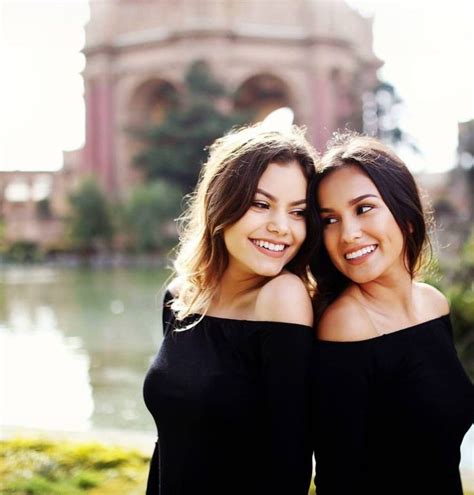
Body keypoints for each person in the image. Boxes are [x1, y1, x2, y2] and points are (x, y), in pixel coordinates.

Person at [143, 123, 319, 495]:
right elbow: (171, 445)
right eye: (261, 204)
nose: (281, 227)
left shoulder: (282, 298)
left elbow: (290, 465)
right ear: (222, 201)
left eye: (299, 212)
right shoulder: (181, 296)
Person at [309, 132, 474, 495]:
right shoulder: (345, 324)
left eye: (363, 208)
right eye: (330, 220)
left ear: (407, 217)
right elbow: (339, 478)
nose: (348, 233)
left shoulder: (433, 303)